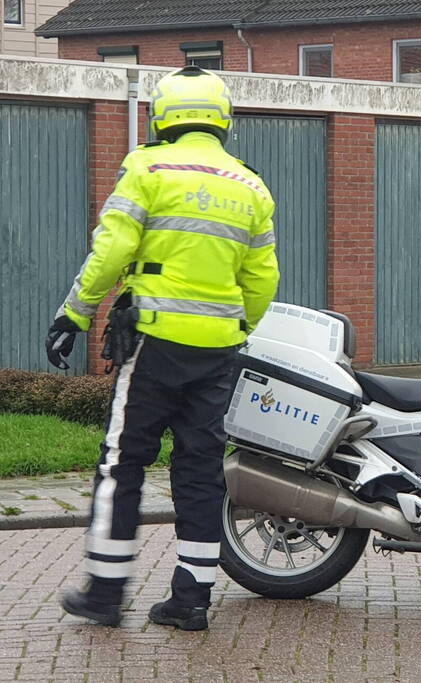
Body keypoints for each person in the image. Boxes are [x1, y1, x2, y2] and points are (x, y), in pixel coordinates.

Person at [46, 66, 279, 631]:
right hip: (218, 350)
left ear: (161, 117)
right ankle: (191, 600)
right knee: (201, 470)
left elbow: (111, 250)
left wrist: (75, 312)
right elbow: (263, 279)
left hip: (153, 345)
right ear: (222, 119)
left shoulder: (147, 168)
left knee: (122, 462)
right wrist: (233, 327)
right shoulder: (251, 186)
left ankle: (106, 593)